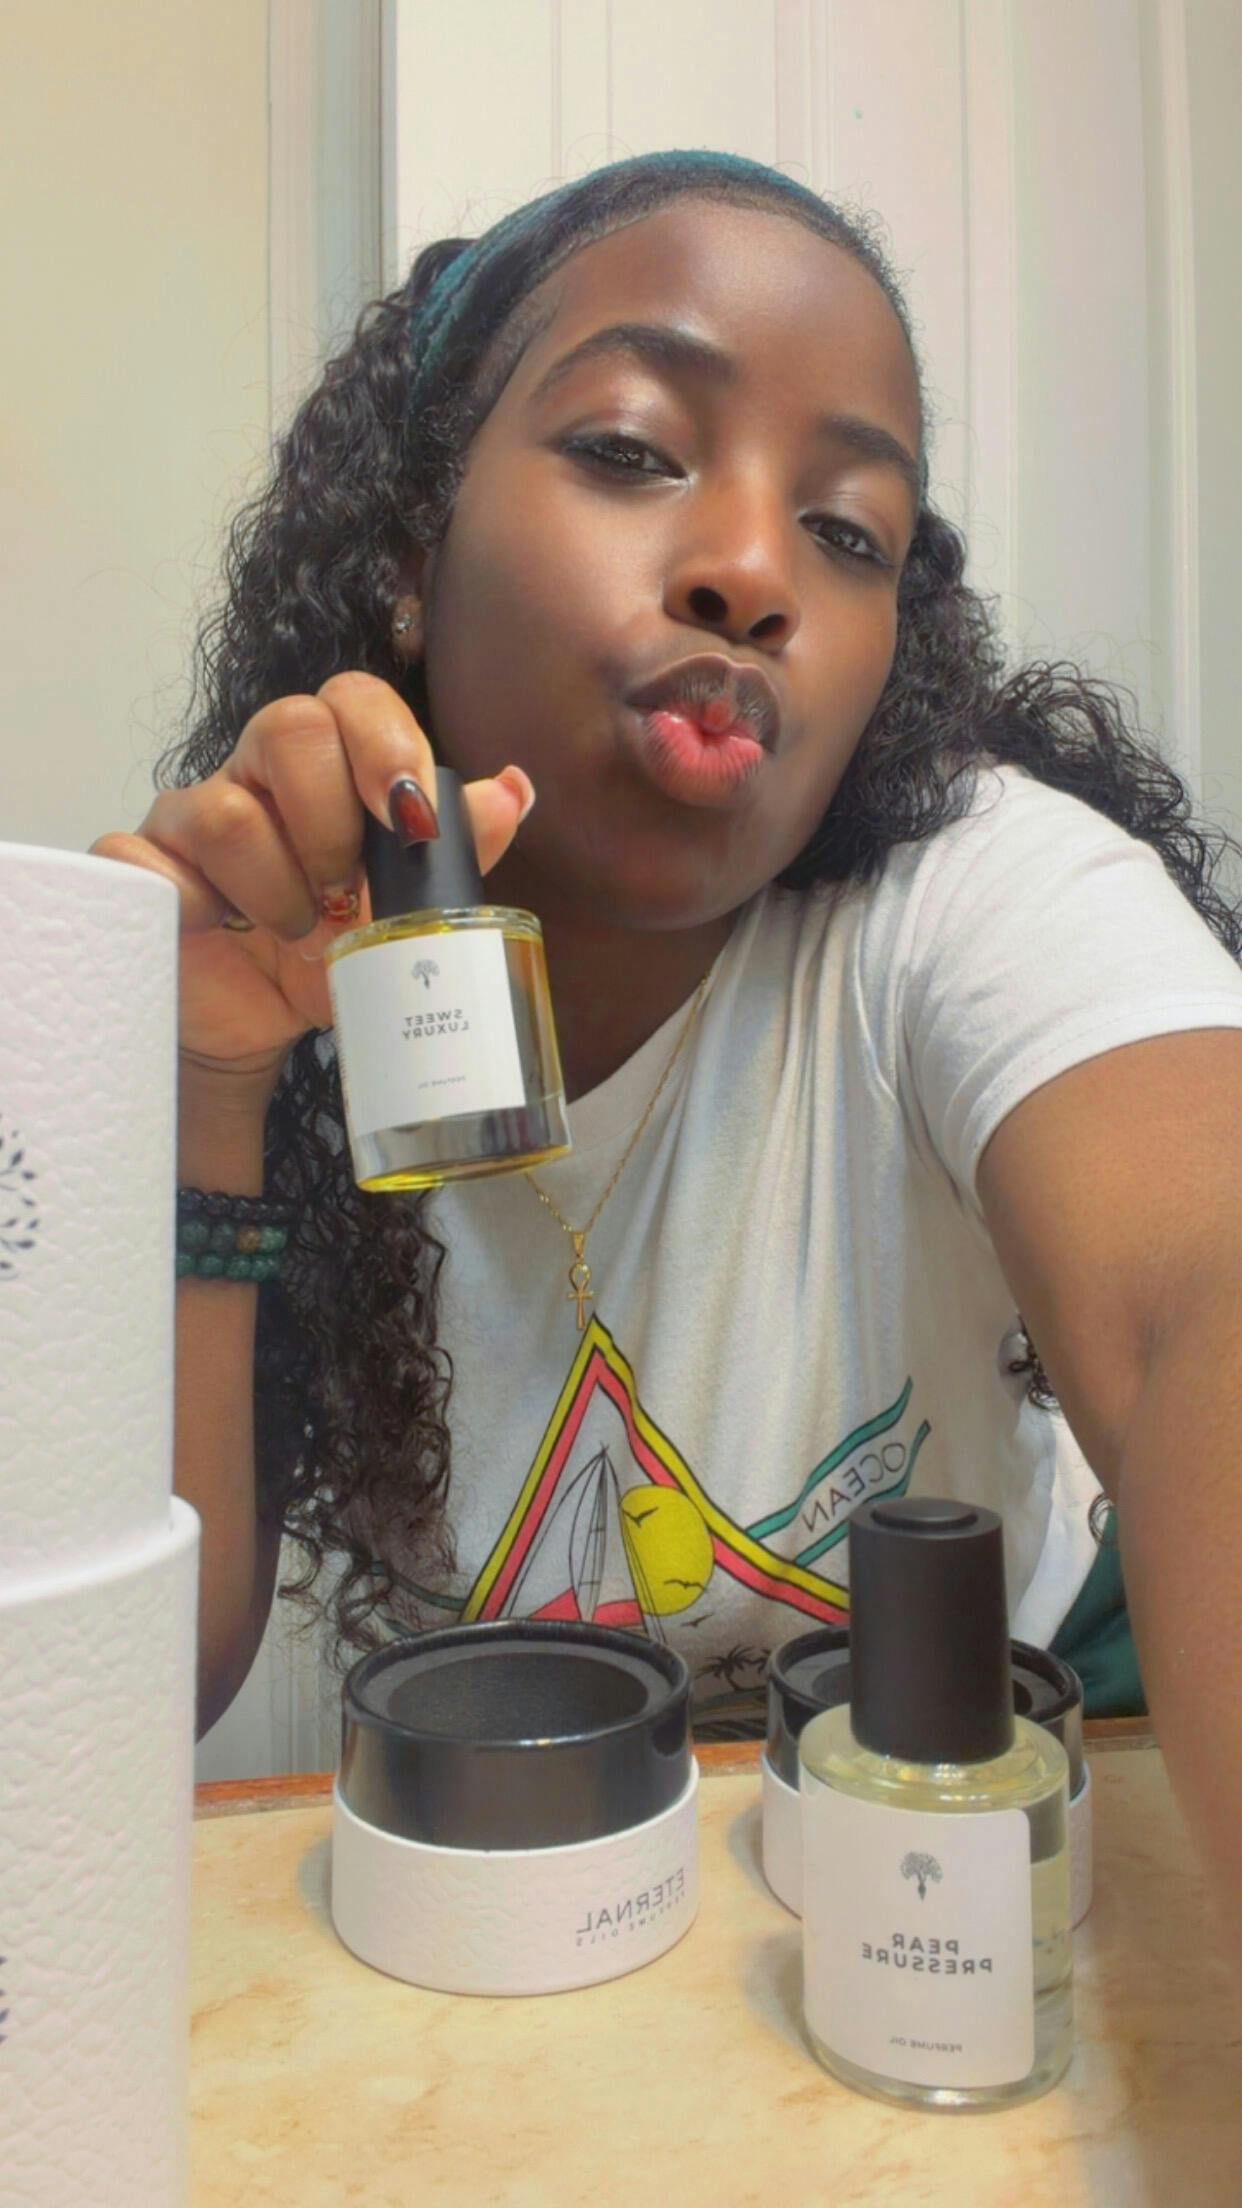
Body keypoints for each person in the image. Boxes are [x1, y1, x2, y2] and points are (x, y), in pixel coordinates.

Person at [94, 149, 1242, 1957]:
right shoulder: (270, 963)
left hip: (1003, 1772)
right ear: (408, 552)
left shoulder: (970, 897)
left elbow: (1207, 1288)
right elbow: (128, 1689)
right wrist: (200, 1090)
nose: (750, 572)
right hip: (536, 1856)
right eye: (632, 449)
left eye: (847, 533)